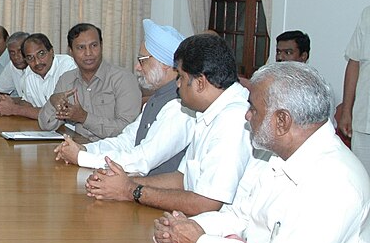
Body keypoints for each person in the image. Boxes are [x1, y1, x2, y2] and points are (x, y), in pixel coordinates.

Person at [154, 62, 370, 243]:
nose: (247, 116)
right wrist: (187, 228)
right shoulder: (280, 156)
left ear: (282, 121)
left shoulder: (336, 183)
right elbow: (242, 216)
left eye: (254, 109)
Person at [85, 34, 252, 216]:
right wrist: (122, 182)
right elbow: (181, 179)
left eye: (180, 77)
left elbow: (206, 203)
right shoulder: (210, 112)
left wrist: (131, 191)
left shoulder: (233, 119)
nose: (177, 85)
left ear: (201, 83)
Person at [54, 19, 194, 176]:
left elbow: (142, 160)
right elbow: (126, 141)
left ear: (165, 64)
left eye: (142, 60)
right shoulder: (155, 100)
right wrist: (85, 149)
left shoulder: (180, 108)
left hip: (159, 193)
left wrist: (82, 158)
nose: (137, 67)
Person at [39, 23, 141, 140]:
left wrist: (84, 118)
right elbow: (46, 125)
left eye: (94, 45)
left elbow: (128, 130)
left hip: (113, 153)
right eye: (81, 47)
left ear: (101, 46)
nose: (88, 53)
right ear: (71, 51)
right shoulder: (66, 80)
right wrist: (53, 101)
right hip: (79, 149)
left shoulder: (123, 79)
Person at [0, 33, 76, 120]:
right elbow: (28, 103)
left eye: (41, 54)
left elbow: (58, 113)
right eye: (30, 58)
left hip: (71, 129)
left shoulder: (67, 67)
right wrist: (5, 103)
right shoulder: (29, 72)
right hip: (45, 129)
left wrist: (15, 109)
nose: (37, 62)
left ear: (51, 51)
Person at [340, 5, 370, 175]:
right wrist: (346, 111)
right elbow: (354, 63)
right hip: (363, 121)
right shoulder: (367, 14)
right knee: (363, 181)